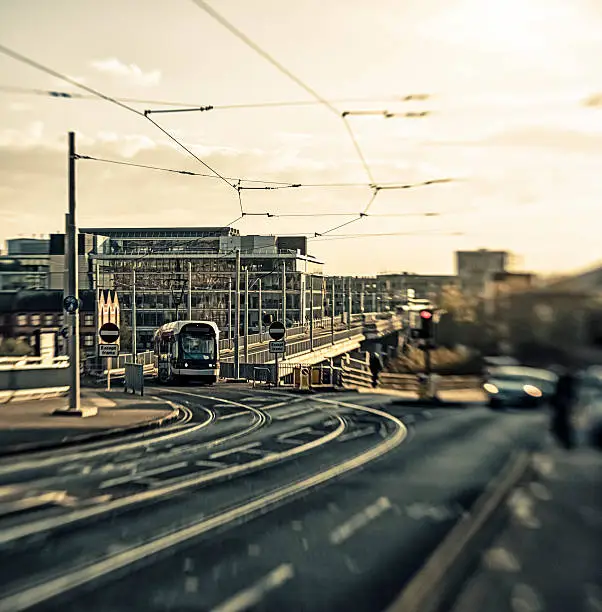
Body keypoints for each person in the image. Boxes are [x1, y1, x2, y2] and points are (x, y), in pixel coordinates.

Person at [550, 365, 579, 450]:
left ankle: (565, 441)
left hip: (562, 408)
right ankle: (566, 442)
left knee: (561, 424)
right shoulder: (568, 386)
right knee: (563, 424)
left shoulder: (564, 385)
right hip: (563, 408)